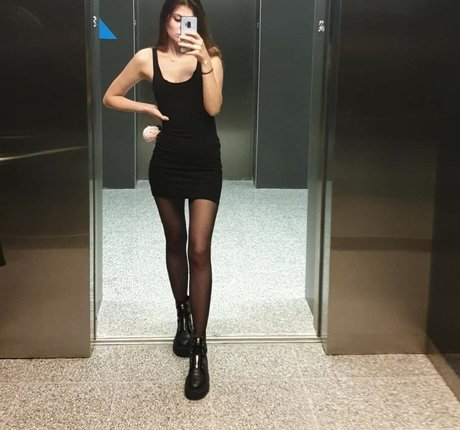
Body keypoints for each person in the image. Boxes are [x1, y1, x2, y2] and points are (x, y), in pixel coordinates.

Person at [103, 0, 223, 401]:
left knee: (199, 248)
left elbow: (213, 107)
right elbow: (110, 96)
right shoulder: (146, 58)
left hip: (205, 163)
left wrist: (203, 60)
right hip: (167, 163)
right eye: (176, 18)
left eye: (189, 19)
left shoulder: (212, 57)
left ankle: (199, 351)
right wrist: (146, 108)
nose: (182, 25)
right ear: (165, 20)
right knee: (175, 240)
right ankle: (182, 314)